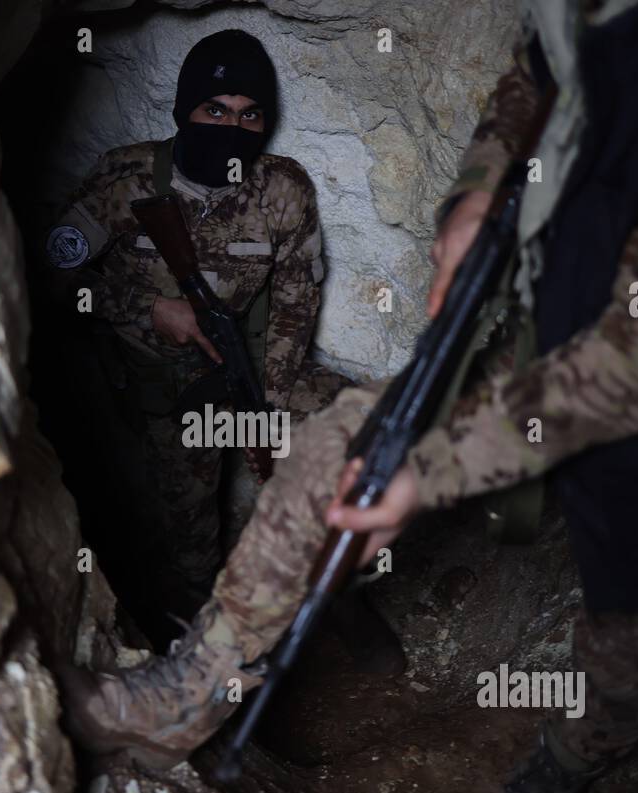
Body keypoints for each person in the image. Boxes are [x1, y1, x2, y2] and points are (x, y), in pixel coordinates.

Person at [61, 0, 638, 793]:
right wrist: (477, 189)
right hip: (558, 323)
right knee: (351, 442)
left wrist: (435, 472)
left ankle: (561, 772)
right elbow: (541, 66)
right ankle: (186, 693)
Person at [44, 28, 405, 673]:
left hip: (249, 367)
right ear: (184, 110)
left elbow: (296, 302)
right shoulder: (125, 181)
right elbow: (52, 278)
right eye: (216, 110)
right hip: (165, 387)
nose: (231, 127)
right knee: (189, 538)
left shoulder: (282, 190)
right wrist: (149, 309)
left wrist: (267, 396)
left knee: (353, 439)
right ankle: (202, 645)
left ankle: (340, 590)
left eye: (249, 115)